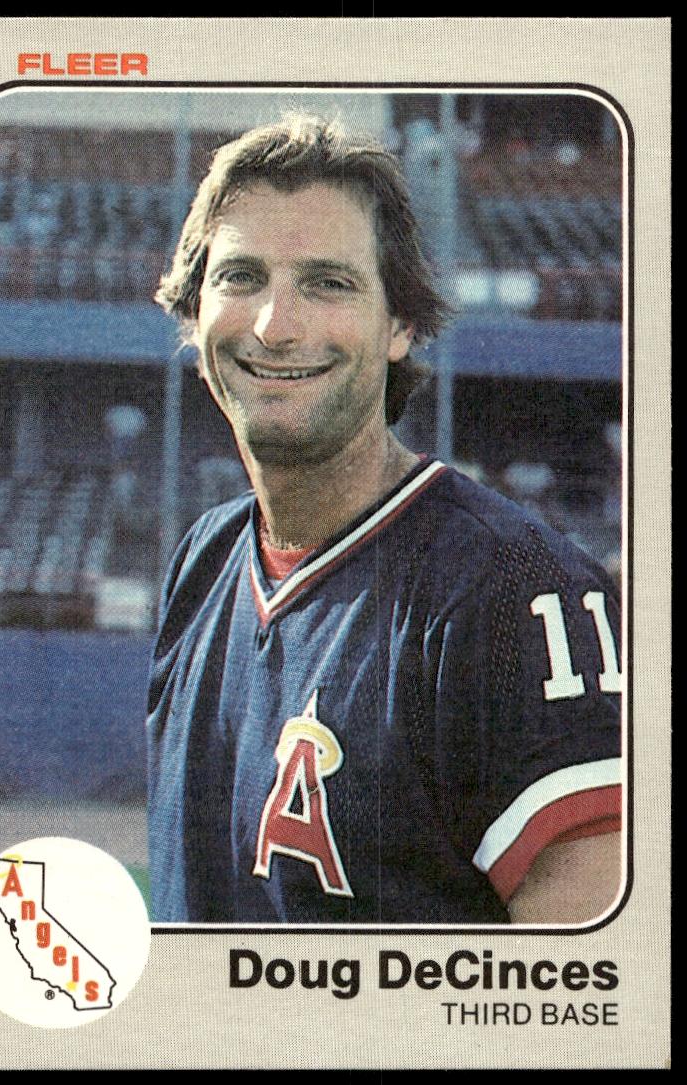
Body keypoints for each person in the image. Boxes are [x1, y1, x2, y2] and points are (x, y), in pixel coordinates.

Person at [148, 115, 622, 924]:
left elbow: (589, 974)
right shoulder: (204, 559)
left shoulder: (514, 588)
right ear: (194, 314)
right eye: (241, 277)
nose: (275, 325)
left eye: (328, 283)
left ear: (401, 324)